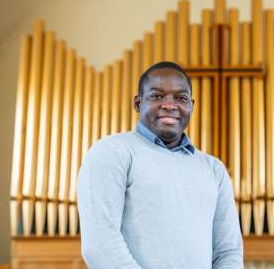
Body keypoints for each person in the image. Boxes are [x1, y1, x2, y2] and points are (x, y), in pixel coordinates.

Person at [77, 61, 243, 269]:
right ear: (138, 103)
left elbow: (228, 251)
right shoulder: (112, 152)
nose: (170, 105)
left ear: (191, 105)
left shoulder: (214, 169)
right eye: (157, 96)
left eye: (181, 98)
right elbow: (100, 243)